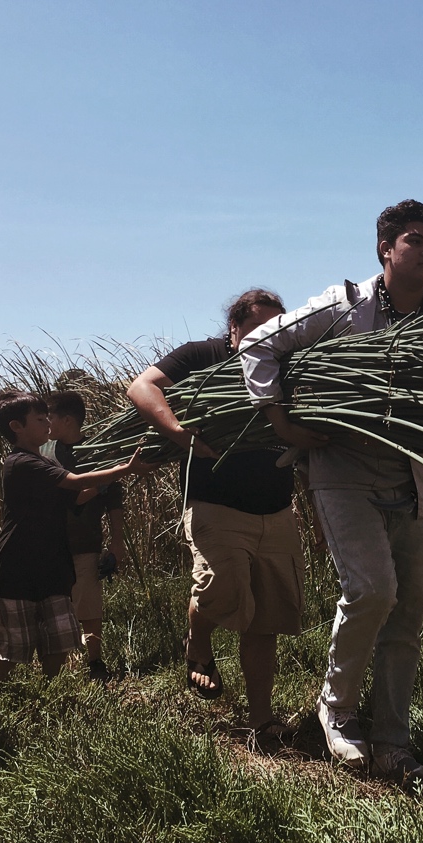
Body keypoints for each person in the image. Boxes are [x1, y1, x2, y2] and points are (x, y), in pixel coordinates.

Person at [238, 200, 423, 787]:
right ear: (385, 250)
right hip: (344, 473)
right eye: (415, 240)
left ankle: (392, 738)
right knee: (372, 590)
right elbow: (258, 345)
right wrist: (283, 424)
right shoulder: (344, 309)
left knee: (409, 607)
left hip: (417, 479)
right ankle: (336, 711)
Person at [128, 289, 303, 738]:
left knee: (264, 619)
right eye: (258, 328)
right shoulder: (200, 356)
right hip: (216, 503)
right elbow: (140, 387)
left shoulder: (292, 365)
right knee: (220, 589)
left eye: (276, 328)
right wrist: (178, 433)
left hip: (276, 508)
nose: (269, 336)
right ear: (233, 328)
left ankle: (261, 719)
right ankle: (199, 640)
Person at [0, 390, 149, 682]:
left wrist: (110, 481)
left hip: (52, 564)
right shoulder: (21, 463)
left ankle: (50, 698)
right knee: (15, 650)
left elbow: (78, 498)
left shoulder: (45, 463)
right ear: (16, 427)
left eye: (48, 417)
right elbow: (74, 483)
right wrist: (126, 468)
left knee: (58, 644)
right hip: (18, 566)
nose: (47, 422)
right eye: (39, 418)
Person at [45, 390, 128, 683]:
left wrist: (117, 542)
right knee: (52, 605)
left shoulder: (96, 452)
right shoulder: (44, 451)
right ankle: (54, 663)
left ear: (67, 420)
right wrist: (104, 482)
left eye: (50, 417)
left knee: (89, 606)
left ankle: (94, 661)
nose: (46, 422)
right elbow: (67, 496)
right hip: (50, 544)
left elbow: (114, 500)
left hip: (85, 542)